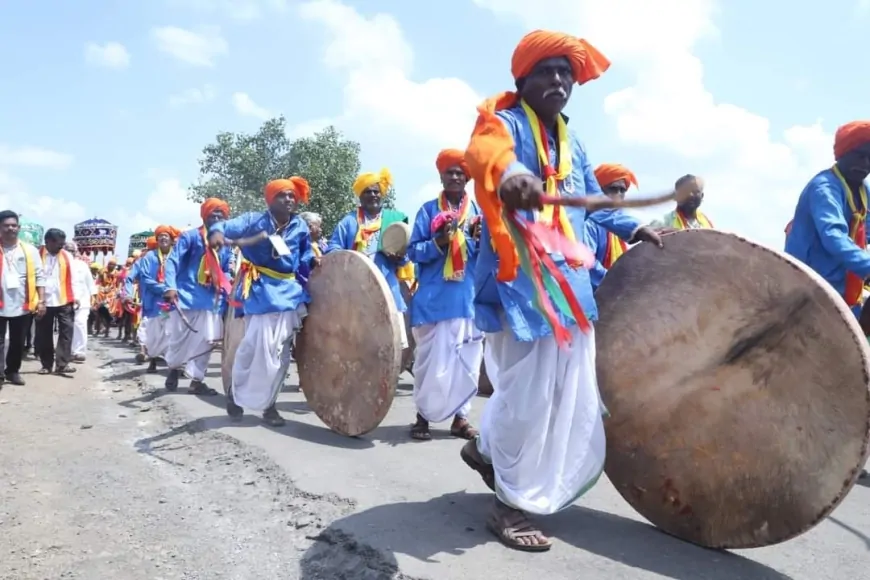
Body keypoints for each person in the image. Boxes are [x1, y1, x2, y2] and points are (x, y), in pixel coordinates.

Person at [459, 30, 666, 551]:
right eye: (547, 71)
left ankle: (490, 453)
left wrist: (633, 228)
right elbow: (485, 153)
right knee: (527, 396)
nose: (558, 80)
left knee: (560, 394)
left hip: (568, 283)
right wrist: (511, 176)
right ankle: (509, 505)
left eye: (566, 73)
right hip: (519, 283)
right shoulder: (503, 122)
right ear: (523, 78)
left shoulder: (572, 141)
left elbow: (591, 198)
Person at [784, 120, 870, 481]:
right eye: (859, 154)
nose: (864, 162)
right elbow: (834, 236)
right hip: (807, 288)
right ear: (843, 153)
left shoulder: (862, 191)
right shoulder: (825, 187)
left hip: (843, 293)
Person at [208, 178, 317, 426]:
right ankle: (235, 395)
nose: (289, 200)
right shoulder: (253, 220)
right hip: (260, 290)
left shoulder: (300, 225)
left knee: (280, 353)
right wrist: (216, 233)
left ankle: (270, 406)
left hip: (290, 293)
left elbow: (305, 252)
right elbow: (224, 226)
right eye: (282, 196)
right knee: (252, 348)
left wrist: (312, 261)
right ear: (270, 199)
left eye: (291, 196)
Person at [406, 148, 483, 441]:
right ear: (440, 176)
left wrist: (478, 239)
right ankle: (423, 416)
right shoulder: (427, 210)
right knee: (429, 363)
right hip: (433, 301)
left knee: (466, 362)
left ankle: (460, 419)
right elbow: (413, 251)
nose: (454, 176)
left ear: (467, 178)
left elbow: (483, 254)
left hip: (467, 299)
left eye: (459, 173)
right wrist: (440, 240)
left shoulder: (477, 213)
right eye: (449, 172)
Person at [328, 168, 414, 340]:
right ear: (360, 196)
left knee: (391, 347)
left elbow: (407, 255)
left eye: (376, 191)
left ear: (382, 194)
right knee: (357, 345)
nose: (373, 195)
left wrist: (399, 256)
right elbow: (332, 249)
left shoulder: (394, 219)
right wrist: (350, 259)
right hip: (355, 292)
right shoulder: (349, 221)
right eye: (367, 192)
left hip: (388, 289)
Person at [163, 198, 232, 395]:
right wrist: (170, 286)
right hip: (186, 297)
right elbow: (172, 262)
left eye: (221, 214)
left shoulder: (224, 243)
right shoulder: (191, 237)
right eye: (213, 214)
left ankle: (196, 380)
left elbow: (225, 269)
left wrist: (228, 282)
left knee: (208, 341)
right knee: (179, 339)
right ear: (204, 215)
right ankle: (173, 368)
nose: (217, 217)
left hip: (212, 301)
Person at [0, 210, 45, 388]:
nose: (10, 228)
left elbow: (40, 276)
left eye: (14, 225)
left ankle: (12, 371)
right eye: (6, 225)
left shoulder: (30, 251)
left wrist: (41, 301)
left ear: (18, 227)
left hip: (22, 304)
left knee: (18, 342)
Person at [584, 163, 638, 290]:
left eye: (622, 190)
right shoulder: (589, 221)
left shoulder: (621, 223)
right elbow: (586, 261)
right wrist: (613, 280)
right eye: (613, 189)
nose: (618, 194)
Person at [35, 228, 77, 375]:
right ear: (48, 242)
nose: (61, 246)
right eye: (58, 243)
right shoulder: (36, 255)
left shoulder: (67, 256)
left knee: (67, 331)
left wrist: (76, 296)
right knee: (44, 334)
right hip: (43, 301)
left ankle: (62, 364)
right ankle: (46, 365)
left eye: (62, 243)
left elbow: (74, 277)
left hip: (64, 299)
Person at [136, 227, 175, 372]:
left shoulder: (177, 256)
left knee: (171, 332)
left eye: (166, 236)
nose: (163, 239)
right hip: (153, 303)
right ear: (157, 240)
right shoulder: (149, 257)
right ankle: (152, 360)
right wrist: (164, 289)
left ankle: (173, 366)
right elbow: (145, 278)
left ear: (171, 240)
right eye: (161, 237)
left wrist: (173, 290)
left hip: (171, 303)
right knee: (153, 333)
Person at [66, 241, 98, 362]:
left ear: (76, 252)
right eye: (67, 250)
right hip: (65, 301)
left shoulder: (82, 265)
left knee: (79, 324)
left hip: (83, 302)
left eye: (72, 250)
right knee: (67, 327)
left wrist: (94, 297)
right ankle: (67, 351)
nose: (69, 252)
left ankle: (79, 351)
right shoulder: (60, 264)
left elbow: (90, 283)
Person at [648, 174, 713, 230]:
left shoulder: (708, 224)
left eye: (695, 191)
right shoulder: (662, 223)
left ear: (702, 196)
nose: (690, 195)